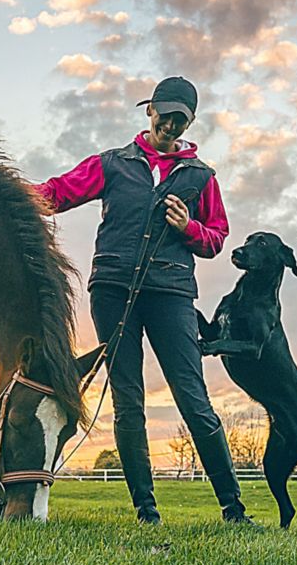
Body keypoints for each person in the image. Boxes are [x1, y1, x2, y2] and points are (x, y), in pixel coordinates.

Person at [33, 76, 249, 524]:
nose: (170, 125)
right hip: (112, 293)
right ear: (149, 110)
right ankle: (145, 511)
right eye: (164, 114)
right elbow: (57, 193)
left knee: (193, 398)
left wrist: (189, 227)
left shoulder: (201, 177)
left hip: (171, 294)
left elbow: (216, 240)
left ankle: (233, 509)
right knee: (128, 401)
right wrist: (7, 193)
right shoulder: (112, 164)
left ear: (190, 123)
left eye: (180, 119)